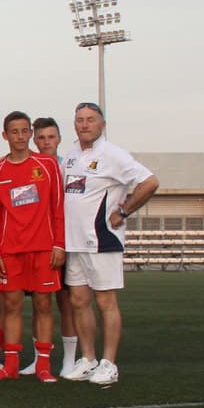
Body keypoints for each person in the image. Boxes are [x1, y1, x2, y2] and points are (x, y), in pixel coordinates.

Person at [61, 101, 160, 387]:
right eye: (79, 119)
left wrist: (124, 211)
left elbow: (149, 182)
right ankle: (88, 359)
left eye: (90, 119)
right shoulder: (70, 156)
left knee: (105, 302)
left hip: (102, 240)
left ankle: (109, 363)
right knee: (79, 301)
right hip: (74, 242)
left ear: (101, 124)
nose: (84, 124)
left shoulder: (113, 155)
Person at [0, 112, 66, 381]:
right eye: (14, 132)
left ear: (30, 133)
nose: (19, 137)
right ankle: (10, 365)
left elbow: (58, 207)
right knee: (12, 305)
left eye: (24, 131)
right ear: (5, 135)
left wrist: (59, 244)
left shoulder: (47, 165)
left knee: (44, 304)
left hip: (43, 249)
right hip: (10, 251)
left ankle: (43, 365)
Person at [23, 115, 77, 376]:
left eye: (51, 137)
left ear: (59, 139)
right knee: (39, 304)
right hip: (38, 246)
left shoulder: (68, 167)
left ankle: (70, 359)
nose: (46, 142)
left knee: (67, 302)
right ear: (35, 139)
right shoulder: (30, 166)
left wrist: (62, 243)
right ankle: (38, 358)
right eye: (41, 137)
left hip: (65, 244)